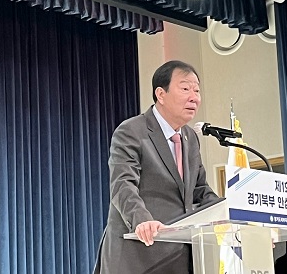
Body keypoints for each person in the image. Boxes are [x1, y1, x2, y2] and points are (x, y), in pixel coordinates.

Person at [93, 60, 218, 274]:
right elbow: (123, 185)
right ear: (161, 94)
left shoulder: (190, 138)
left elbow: (200, 191)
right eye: (185, 89)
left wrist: (237, 219)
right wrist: (143, 221)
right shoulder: (132, 131)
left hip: (179, 257)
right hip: (137, 255)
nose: (194, 97)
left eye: (197, 90)